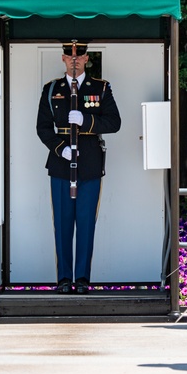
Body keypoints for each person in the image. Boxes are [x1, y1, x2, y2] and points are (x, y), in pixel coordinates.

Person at [35, 41, 121, 294]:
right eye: (70, 55)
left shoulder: (101, 88)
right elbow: (42, 127)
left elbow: (114, 122)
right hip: (61, 164)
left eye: (80, 55)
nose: (75, 59)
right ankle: (64, 278)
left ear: (86, 59)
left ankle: (82, 278)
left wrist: (86, 120)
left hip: (90, 162)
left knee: (85, 222)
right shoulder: (52, 89)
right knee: (62, 222)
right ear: (63, 58)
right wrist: (60, 148)